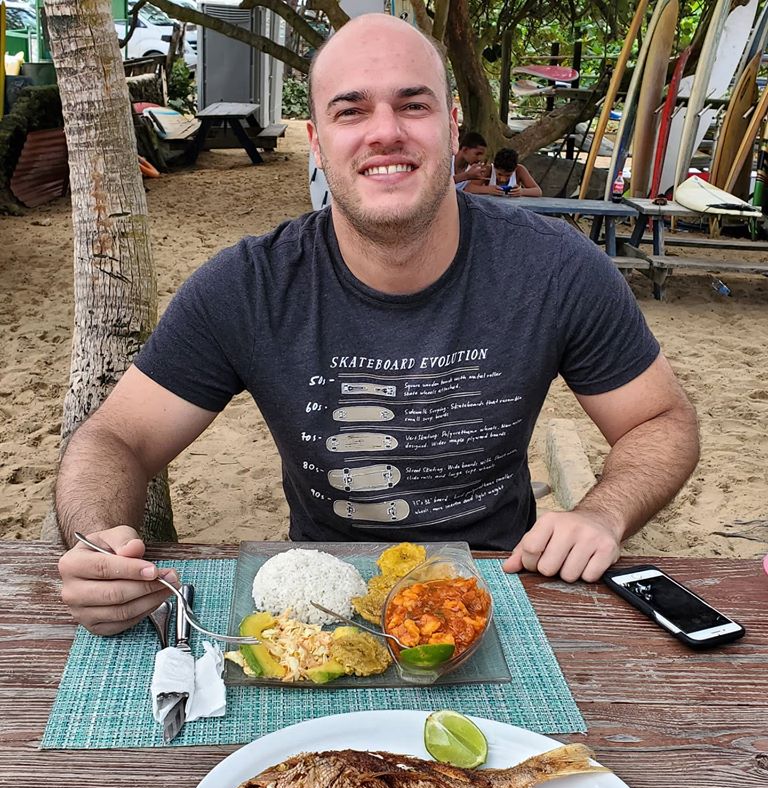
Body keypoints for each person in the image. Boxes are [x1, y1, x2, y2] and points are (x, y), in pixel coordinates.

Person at [56, 13, 699, 635]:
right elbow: (115, 438)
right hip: (318, 606)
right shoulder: (249, 286)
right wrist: (96, 546)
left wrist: (603, 515)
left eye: (413, 105)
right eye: (351, 110)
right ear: (317, 142)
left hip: (506, 586)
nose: (384, 132)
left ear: (451, 127)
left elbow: (661, 420)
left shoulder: (556, 268)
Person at [465, 147, 542, 198]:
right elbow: (469, 188)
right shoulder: (487, 170)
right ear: (494, 167)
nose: (503, 179)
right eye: (499, 174)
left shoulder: (520, 170)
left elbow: (538, 191)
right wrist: (488, 190)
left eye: (508, 176)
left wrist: (521, 191)